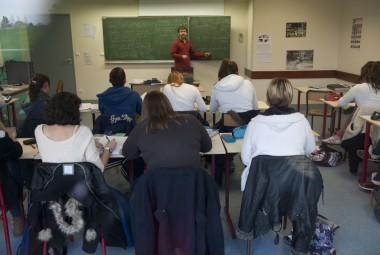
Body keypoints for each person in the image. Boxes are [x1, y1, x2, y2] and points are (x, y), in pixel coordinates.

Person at [241, 77, 316, 191]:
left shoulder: (255, 123)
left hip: (263, 185)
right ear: (290, 97)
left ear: (268, 96)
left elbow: (246, 159)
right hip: (293, 183)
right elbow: (310, 149)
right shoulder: (302, 121)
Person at [122, 91, 212, 170]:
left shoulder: (142, 126)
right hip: (193, 183)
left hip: (158, 185)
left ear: (144, 109)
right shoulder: (191, 119)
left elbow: (127, 152)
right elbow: (207, 147)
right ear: (168, 104)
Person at [35, 92, 116, 172]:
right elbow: (98, 169)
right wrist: (108, 149)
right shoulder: (83, 131)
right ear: (74, 112)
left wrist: (91, 142)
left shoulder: (39, 130)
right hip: (80, 183)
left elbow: (60, 147)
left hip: (51, 183)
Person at [322, 61, 380, 145]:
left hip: (359, 127)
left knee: (356, 109)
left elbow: (340, 103)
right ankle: (339, 135)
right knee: (356, 108)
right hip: (376, 125)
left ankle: (338, 136)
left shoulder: (358, 87)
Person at [210, 58, 259, 130]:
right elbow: (255, 107)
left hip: (228, 125)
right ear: (236, 70)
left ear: (221, 71)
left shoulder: (217, 87)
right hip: (248, 125)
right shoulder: (248, 83)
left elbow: (212, 110)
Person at [0, 120, 24, 236]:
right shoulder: (2, 140)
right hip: (3, 195)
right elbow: (18, 150)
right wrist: (5, 131)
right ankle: (17, 217)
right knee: (10, 161)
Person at [18, 73, 51, 138]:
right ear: (46, 86)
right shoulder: (48, 106)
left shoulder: (26, 105)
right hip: (45, 138)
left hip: (27, 138)